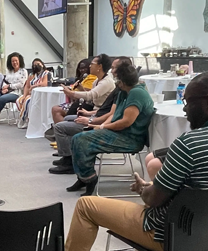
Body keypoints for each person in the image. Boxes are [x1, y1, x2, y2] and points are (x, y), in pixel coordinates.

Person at [43, 70, 208, 251]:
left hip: (170, 235)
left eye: (188, 102)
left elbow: (153, 199)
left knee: (86, 206)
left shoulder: (189, 145)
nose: (184, 109)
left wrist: (145, 189)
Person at [66, 63, 155, 197]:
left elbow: (126, 122)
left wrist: (101, 127)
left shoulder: (137, 93)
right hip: (118, 133)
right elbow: (113, 114)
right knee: (79, 139)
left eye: (115, 76)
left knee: (80, 140)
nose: (113, 79)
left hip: (129, 139)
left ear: (122, 81)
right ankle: (83, 177)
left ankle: (89, 178)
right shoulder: (124, 92)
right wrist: (96, 125)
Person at [49, 57, 132, 174]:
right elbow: (105, 109)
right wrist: (89, 114)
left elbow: (107, 109)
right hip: (98, 115)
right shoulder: (116, 87)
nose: (88, 66)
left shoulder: (114, 86)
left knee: (60, 126)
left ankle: (70, 160)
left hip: (101, 121)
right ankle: (68, 156)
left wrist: (92, 121)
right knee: (67, 118)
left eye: (114, 68)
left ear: (100, 67)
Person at [59, 54, 115, 120]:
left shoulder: (106, 82)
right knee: (68, 117)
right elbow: (91, 97)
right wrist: (81, 89)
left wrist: (71, 93)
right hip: (94, 110)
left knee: (63, 121)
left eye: (92, 64)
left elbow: (90, 95)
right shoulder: (97, 80)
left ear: (99, 66)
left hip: (100, 114)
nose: (90, 66)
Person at [0, 52, 27, 125]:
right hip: (6, 91)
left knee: (2, 99)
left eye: (16, 60)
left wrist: (9, 86)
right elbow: (5, 81)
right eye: (13, 61)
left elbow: (21, 84)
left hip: (16, 92)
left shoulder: (23, 71)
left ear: (19, 61)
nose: (14, 62)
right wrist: (4, 88)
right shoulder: (9, 71)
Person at [51, 59, 94, 125]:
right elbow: (74, 88)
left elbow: (87, 94)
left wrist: (70, 91)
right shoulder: (83, 77)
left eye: (84, 68)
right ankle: (61, 129)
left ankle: (63, 129)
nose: (82, 70)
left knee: (56, 110)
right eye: (80, 68)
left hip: (84, 104)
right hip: (75, 101)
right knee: (55, 109)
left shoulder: (92, 78)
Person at [15, 58, 50, 129]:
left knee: (27, 101)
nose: (36, 66)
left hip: (40, 95)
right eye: (34, 65)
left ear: (42, 64)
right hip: (31, 94)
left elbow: (44, 84)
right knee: (20, 100)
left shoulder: (46, 73)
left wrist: (34, 86)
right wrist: (24, 95)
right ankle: (26, 117)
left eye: (38, 64)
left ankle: (24, 120)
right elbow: (27, 86)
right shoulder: (31, 75)